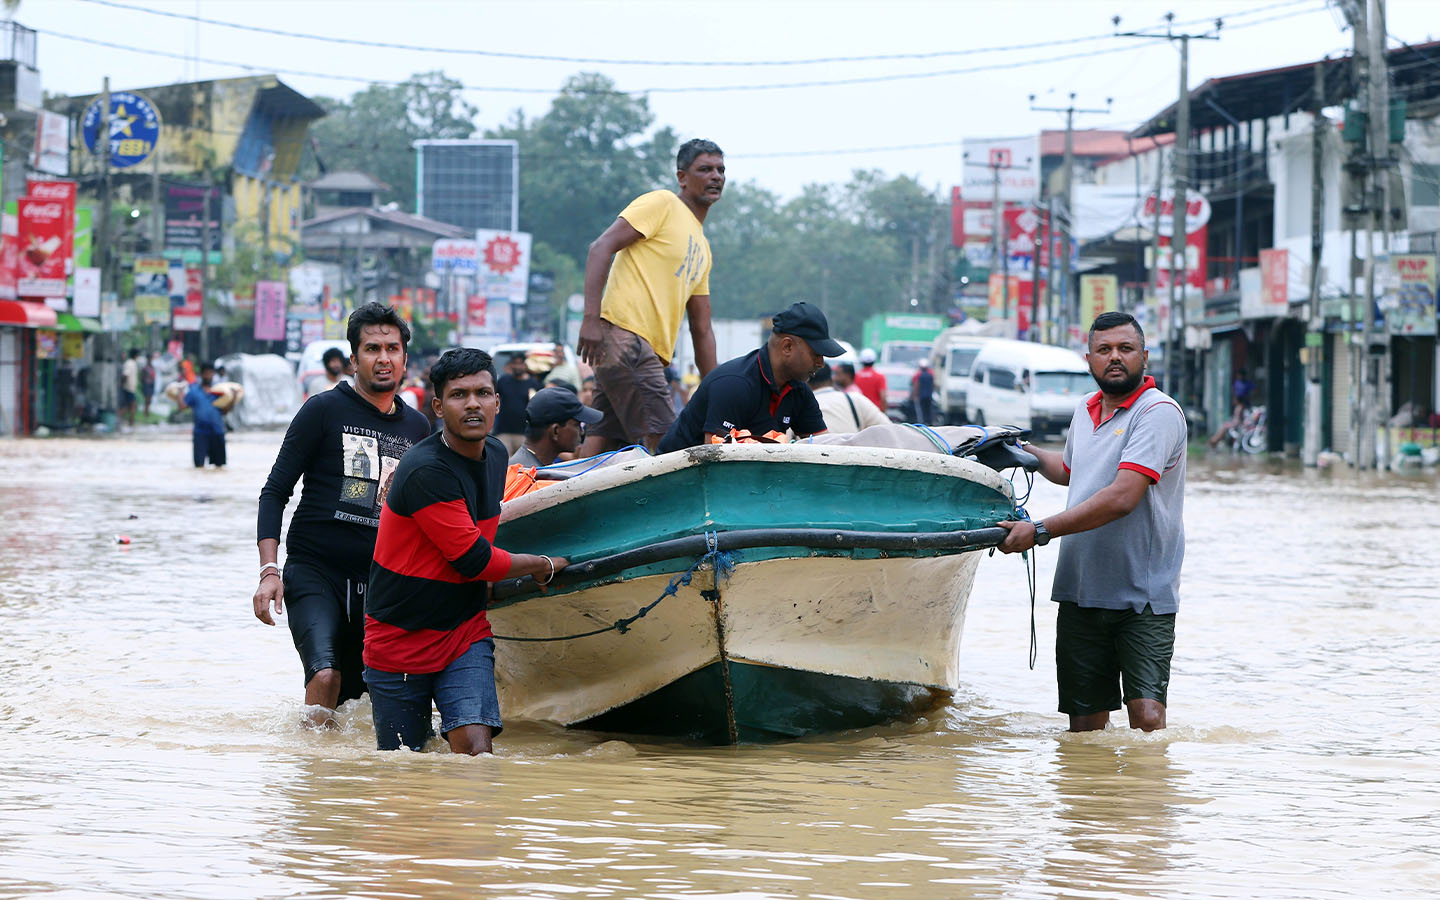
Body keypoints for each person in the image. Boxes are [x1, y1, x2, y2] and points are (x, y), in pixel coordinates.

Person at [364, 348, 569, 754]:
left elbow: (484, 536)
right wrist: (542, 564)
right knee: (405, 768)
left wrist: (494, 577)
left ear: (498, 402)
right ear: (438, 406)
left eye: (482, 393)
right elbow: (474, 559)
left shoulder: (495, 455)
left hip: (464, 631)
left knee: (477, 757)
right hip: (399, 637)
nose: (472, 403)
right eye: (459, 395)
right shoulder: (426, 470)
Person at [996, 311, 1187, 734]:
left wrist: (1040, 530)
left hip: (1143, 595)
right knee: (1083, 728)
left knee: (1148, 720)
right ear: (1089, 359)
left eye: (1125, 349)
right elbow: (1070, 470)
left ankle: (1144, 798)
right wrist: (1019, 450)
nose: (1114, 357)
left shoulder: (1157, 413)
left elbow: (1122, 498)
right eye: (1104, 350)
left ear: (1144, 356)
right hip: (1082, 588)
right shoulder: (1086, 410)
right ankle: (1093, 801)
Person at [253, 303, 432, 727]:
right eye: (372, 348)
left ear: (406, 358)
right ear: (354, 359)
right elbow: (275, 491)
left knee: (366, 702)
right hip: (317, 571)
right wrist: (268, 571)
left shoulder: (419, 429)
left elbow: (427, 516)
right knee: (326, 674)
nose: (383, 358)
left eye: (392, 348)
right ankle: (310, 774)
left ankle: (347, 787)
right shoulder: (322, 410)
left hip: (382, 582)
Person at [578, 138, 724, 454]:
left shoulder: (702, 246)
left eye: (720, 170)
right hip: (626, 338)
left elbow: (702, 328)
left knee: (602, 440)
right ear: (682, 177)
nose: (716, 176)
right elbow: (600, 247)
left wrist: (716, 391)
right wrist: (590, 319)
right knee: (666, 444)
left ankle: (559, 497)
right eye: (705, 169)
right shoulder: (662, 204)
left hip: (642, 353)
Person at [658, 302, 840, 452]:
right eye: (816, 354)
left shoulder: (798, 391)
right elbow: (714, 459)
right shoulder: (734, 385)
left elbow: (823, 448)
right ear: (787, 347)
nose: (821, 363)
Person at [510, 386, 604, 468]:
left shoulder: (534, 466)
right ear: (555, 431)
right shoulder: (526, 475)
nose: (582, 432)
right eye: (576, 425)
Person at [809, 364, 890, 434]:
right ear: (832, 380)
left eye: (839, 374)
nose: (837, 377)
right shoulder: (855, 398)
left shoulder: (802, 407)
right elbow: (890, 430)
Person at [183, 362, 226, 468]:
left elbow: (225, 411)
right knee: (199, 465)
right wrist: (180, 392)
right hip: (200, 433)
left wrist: (233, 398)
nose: (208, 376)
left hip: (217, 431)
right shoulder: (194, 391)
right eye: (206, 373)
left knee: (219, 466)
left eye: (211, 373)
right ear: (201, 375)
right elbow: (183, 406)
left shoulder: (219, 391)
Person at [493, 352, 536, 456]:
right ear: (510, 364)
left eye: (520, 363)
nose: (517, 366)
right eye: (514, 363)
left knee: (523, 467)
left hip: (524, 434)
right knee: (504, 465)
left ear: (525, 365)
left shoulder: (533, 384)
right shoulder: (503, 381)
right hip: (503, 433)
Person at [910, 359, 935, 425]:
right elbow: (933, 385)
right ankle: (929, 422)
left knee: (921, 411)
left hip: (921, 396)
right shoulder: (930, 375)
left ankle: (922, 423)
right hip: (929, 396)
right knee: (928, 410)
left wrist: (914, 395)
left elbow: (917, 385)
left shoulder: (919, 375)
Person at [120, 349, 140, 428]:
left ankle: (129, 422)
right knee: (131, 406)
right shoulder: (130, 363)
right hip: (128, 388)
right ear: (136, 355)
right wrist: (122, 385)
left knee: (129, 407)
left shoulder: (132, 363)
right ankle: (130, 423)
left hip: (131, 388)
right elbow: (125, 375)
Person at [140, 353, 157, 419]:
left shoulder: (152, 367)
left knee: (149, 400)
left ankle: (147, 412)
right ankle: (146, 413)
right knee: (147, 400)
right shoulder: (145, 368)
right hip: (146, 385)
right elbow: (142, 378)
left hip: (151, 385)